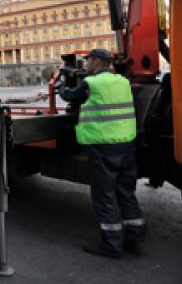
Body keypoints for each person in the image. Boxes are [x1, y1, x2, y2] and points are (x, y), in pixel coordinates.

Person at [59, 49, 147, 259]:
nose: (86, 65)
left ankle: (112, 245)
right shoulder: (123, 82)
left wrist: (62, 84)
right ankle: (134, 240)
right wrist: (78, 75)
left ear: (97, 62)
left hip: (103, 147)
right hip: (126, 145)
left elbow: (70, 95)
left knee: (105, 196)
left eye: (88, 61)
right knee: (126, 193)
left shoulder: (92, 84)